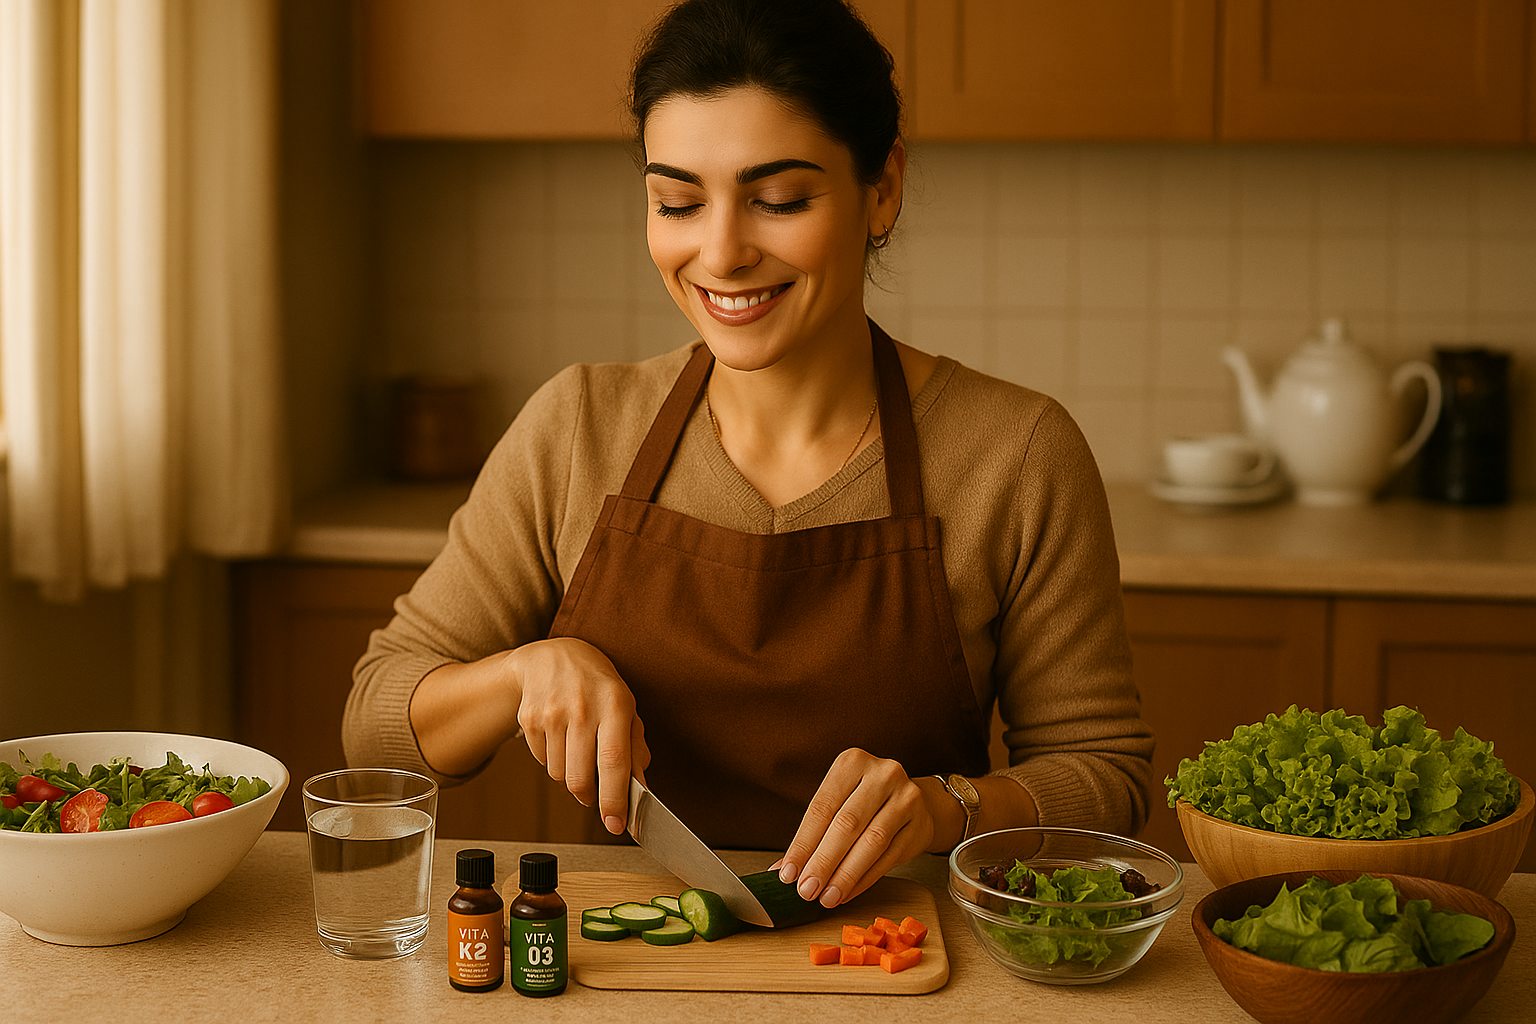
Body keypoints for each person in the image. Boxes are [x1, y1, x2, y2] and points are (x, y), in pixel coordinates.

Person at [344, 0, 1153, 911]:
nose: (721, 253)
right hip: (627, 958)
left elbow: (1108, 780)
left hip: (899, 967)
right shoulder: (577, 427)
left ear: (882, 187)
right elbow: (377, 727)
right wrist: (522, 670)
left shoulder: (1017, 453)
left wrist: (945, 809)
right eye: (677, 203)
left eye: (778, 200)